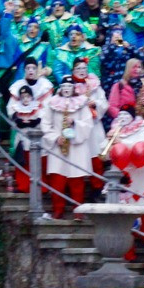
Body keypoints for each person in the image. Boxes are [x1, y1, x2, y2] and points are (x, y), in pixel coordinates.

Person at [40, 75, 94, 220]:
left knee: (77, 181)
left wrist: (75, 122)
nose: (66, 89)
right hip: (59, 145)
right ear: (60, 88)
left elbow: (88, 124)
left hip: (76, 146)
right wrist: (55, 137)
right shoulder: (52, 103)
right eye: (64, 86)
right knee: (57, 181)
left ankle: (78, 211)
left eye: (69, 87)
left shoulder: (81, 103)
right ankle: (58, 210)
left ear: (73, 88)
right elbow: (45, 124)